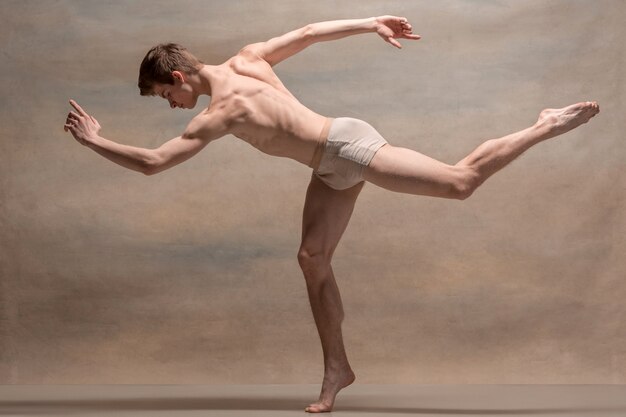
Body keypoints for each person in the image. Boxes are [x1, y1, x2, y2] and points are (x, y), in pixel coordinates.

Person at [63, 15, 599, 413]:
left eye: (164, 96)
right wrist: (370, 23)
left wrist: (95, 143)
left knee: (460, 183)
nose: (171, 107)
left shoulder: (220, 113)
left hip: (345, 147)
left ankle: (544, 124)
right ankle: (337, 369)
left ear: (178, 77)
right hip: (327, 167)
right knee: (312, 258)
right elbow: (311, 31)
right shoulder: (248, 57)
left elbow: (155, 163)